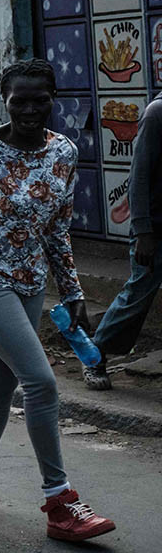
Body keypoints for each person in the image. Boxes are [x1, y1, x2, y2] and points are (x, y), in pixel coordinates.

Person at [0, 58, 114, 542]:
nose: (30, 109)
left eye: (40, 100)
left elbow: (57, 230)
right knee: (42, 382)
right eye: (19, 101)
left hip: (30, 284)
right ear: (4, 101)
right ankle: (60, 502)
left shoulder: (64, 153)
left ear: (53, 99)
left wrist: (72, 291)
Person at [84, 92, 162, 390]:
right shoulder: (157, 113)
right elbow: (139, 176)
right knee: (137, 295)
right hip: (155, 229)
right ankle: (94, 356)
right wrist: (143, 231)